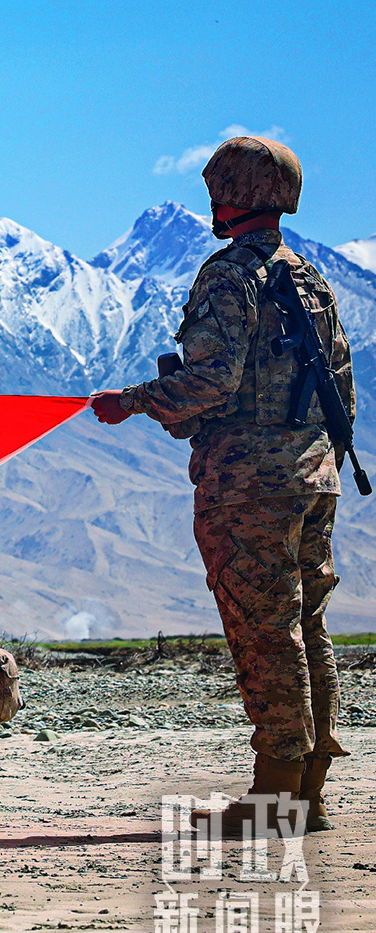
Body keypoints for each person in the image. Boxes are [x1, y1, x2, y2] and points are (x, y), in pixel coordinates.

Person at [91, 135, 355, 831]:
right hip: (313, 477)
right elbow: (342, 391)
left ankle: (277, 796)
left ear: (228, 195)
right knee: (305, 626)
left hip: (248, 486)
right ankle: (306, 791)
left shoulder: (228, 276)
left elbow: (212, 380)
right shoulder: (311, 280)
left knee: (266, 635)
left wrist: (134, 401)